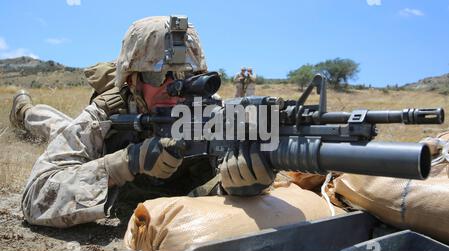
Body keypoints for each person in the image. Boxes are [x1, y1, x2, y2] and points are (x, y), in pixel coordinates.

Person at [9, 16, 276, 228]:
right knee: (56, 125)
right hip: (98, 145)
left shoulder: (211, 109)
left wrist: (236, 184)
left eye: (185, 75)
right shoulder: (105, 114)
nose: (173, 87)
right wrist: (125, 163)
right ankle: (24, 111)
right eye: (156, 76)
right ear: (131, 80)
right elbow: (35, 198)